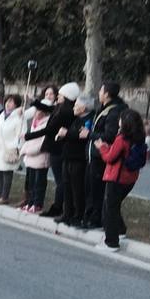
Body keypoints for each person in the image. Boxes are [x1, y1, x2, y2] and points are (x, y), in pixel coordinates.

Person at [95, 108, 147, 252]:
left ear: (124, 123)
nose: (118, 121)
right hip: (130, 178)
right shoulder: (139, 137)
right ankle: (120, 230)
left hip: (116, 177)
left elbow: (110, 158)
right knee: (115, 205)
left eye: (120, 119)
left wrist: (102, 148)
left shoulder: (121, 138)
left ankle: (111, 242)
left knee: (109, 209)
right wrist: (109, 148)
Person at [85, 82, 127, 230]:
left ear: (107, 94)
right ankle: (91, 217)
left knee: (98, 190)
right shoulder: (103, 108)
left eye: (101, 90)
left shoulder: (114, 112)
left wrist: (89, 134)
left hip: (101, 157)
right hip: (94, 155)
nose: (99, 93)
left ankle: (97, 220)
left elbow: (109, 135)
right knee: (91, 189)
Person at [40, 82, 79, 218]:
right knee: (61, 180)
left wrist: (29, 136)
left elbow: (50, 128)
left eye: (60, 95)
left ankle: (58, 207)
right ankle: (61, 206)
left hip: (58, 148)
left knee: (61, 181)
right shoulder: (61, 108)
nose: (58, 97)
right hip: (58, 147)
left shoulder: (65, 111)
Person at [56, 94, 94, 227]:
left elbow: (81, 136)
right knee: (67, 186)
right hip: (68, 157)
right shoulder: (76, 119)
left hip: (78, 159)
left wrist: (66, 133)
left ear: (83, 108)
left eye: (76, 105)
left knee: (77, 189)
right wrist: (62, 136)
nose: (73, 108)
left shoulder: (88, 120)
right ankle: (67, 213)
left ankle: (78, 215)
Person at [0, 95, 23, 206]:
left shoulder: (18, 117)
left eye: (11, 102)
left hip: (9, 150)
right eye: (7, 101)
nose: (8, 104)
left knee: (7, 173)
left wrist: (14, 147)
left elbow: (20, 135)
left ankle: (4, 196)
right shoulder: (2, 115)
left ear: (16, 105)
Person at [19, 100, 53, 214]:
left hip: (40, 157)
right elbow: (30, 139)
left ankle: (37, 204)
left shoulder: (47, 123)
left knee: (39, 183)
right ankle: (30, 202)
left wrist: (28, 151)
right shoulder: (34, 122)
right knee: (31, 182)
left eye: (39, 110)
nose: (36, 113)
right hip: (30, 157)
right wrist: (23, 150)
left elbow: (41, 142)